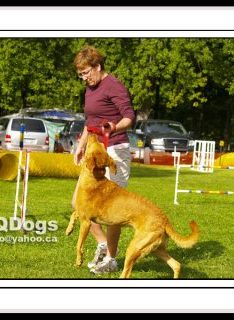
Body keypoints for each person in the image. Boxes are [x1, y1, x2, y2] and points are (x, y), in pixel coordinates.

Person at [71, 46, 135, 274]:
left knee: (112, 209)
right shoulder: (90, 88)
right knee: (78, 204)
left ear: (98, 66)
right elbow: (91, 120)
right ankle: (101, 244)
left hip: (115, 149)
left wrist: (115, 126)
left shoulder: (114, 86)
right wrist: (81, 145)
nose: (84, 78)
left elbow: (130, 116)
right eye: (81, 74)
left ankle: (111, 259)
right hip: (93, 151)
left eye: (87, 72)